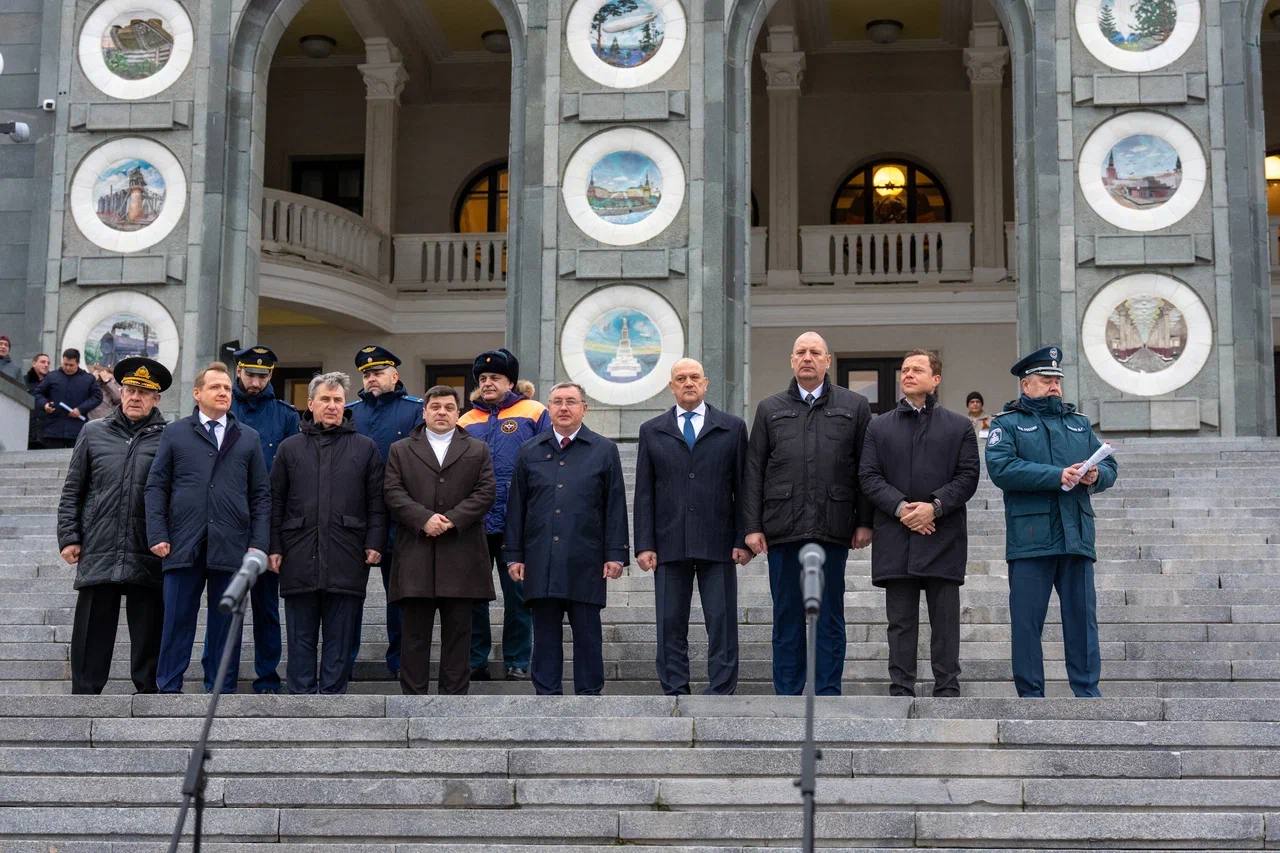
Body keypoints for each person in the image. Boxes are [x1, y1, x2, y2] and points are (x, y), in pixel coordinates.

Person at [742, 331, 873, 696]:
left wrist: (864, 520)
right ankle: (787, 690)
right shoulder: (769, 409)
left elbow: (865, 468)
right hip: (783, 530)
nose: (807, 358)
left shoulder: (854, 406)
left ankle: (828, 690)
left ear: (828, 360)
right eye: (801, 352)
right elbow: (754, 471)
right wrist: (751, 527)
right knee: (787, 615)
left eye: (815, 352)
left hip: (834, 527)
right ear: (791, 360)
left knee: (829, 614)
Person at [985, 345, 1119, 698]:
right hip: (1031, 538)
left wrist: (1095, 476)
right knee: (1028, 624)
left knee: (1082, 621)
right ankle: (1031, 695)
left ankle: (1088, 691)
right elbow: (1002, 468)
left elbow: (1109, 468)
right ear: (1026, 385)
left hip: (1077, 535)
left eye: (1057, 380)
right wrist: (1057, 475)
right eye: (1046, 380)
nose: (1054, 386)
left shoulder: (1078, 424)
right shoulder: (1007, 424)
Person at [858, 350, 979, 698]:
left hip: (943, 536)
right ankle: (901, 688)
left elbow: (968, 476)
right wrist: (901, 509)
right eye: (905, 370)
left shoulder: (958, 426)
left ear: (935, 379)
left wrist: (934, 507)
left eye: (917, 369)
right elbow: (868, 475)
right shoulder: (878, 426)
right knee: (900, 622)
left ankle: (947, 687)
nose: (908, 374)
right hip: (896, 538)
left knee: (945, 621)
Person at [145, 362, 271, 694]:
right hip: (182, 543)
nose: (224, 392)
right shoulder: (175, 432)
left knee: (225, 624)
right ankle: (168, 688)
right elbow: (156, 486)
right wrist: (157, 533)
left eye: (228, 388)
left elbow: (260, 495)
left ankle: (220, 690)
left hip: (231, 544)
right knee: (176, 621)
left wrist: (258, 544)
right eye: (216, 387)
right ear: (197, 393)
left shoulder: (248, 437)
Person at [634, 358, 750, 696]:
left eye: (694, 377)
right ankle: (674, 687)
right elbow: (644, 493)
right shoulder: (652, 430)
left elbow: (743, 488)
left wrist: (743, 537)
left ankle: (722, 688)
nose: (688, 383)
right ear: (671, 386)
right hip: (669, 542)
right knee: (670, 621)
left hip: (718, 541)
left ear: (706, 383)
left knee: (722, 620)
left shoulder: (732, 427)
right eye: (681, 378)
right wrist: (644, 544)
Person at [504, 382, 629, 696]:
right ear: (548, 407)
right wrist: (514, 554)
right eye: (557, 401)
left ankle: (589, 694)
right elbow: (517, 506)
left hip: (586, 558)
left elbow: (614, 505)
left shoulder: (603, 449)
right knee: (544, 633)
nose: (563, 407)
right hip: (540, 557)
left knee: (588, 633)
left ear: (584, 408)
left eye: (571, 402)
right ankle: (547, 694)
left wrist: (615, 554)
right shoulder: (529, 450)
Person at [56, 357, 172, 694]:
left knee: (149, 625)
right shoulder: (93, 432)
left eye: (144, 392)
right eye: (130, 389)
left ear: (156, 399)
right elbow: (73, 489)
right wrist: (69, 536)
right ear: (120, 392)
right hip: (99, 543)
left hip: (147, 546)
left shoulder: (170, 438)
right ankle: (86, 692)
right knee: (93, 624)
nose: (135, 397)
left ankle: (148, 690)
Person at [270, 371, 385, 694]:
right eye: (325, 399)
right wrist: (274, 545)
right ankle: (300, 695)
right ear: (310, 404)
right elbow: (275, 500)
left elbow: (377, 501)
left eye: (337, 400)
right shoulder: (290, 448)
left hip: (347, 552)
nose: (332, 406)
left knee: (341, 633)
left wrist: (375, 541)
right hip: (298, 552)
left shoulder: (365, 448)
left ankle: (334, 695)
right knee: (300, 633)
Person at [384, 386, 496, 695]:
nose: (442, 412)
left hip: (461, 554)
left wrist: (452, 519)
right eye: (435, 407)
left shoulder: (477, 449)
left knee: (459, 634)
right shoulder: (401, 449)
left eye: (449, 407)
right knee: (414, 635)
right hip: (416, 554)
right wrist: (423, 519)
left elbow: (486, 491)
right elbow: (393, 492)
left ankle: (454, 700)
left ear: (458, 412)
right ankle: (413, 698)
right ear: (424, 412)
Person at [458, 348, 550, 682]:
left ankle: (517, 659)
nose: (487, 383)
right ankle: (476, 659)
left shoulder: (534, 411)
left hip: (518, 521)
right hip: (474, 523)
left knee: (519, 596)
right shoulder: (465, 420)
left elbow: (548, 460)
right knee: (473, 596)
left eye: (494, 377)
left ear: (510, 380)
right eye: (482, 379)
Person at [213, 345, 299, 694]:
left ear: (271, 376)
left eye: (262, 375)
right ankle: (221, 678)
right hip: (225, 518)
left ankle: (267, 677)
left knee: (266, 608)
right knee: (225, 605)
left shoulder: (286, 415)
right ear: (238, 373)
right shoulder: (222, 407)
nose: (255, 380)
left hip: (267, 521)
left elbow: (294, 470)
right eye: (250, 374)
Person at [346, 344, 423, 680]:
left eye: (378, 372)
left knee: (401, 598)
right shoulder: (351, 413)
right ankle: (343, 663)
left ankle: (400, 663)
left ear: (396, 375)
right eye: (366, 374)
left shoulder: (414, 411)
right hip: (355, 519)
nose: (372, 378)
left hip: (400, 520)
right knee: (348, 598)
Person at [32, 348, 101, 449]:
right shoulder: (52, 376)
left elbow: (97, 397)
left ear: (77, 363)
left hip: (77, 430)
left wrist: (81, 409)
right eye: (65, 364)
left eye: (71, 365)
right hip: (53, 430)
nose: (67, 368)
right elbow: (37, 393)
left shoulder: (88, 379)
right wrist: (45, 404)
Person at [25, 353, 51, 449]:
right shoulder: (24, 381)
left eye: (48, 363)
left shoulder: (53, 383)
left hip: (46, 432)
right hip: (27, 429)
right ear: (34, 363)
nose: (46, 365)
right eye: (43, 362)